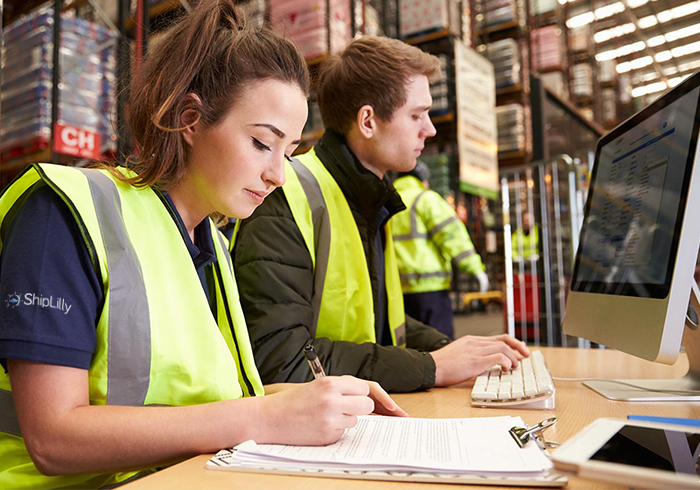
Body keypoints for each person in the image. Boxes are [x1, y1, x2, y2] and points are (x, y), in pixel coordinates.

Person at [0, 3, 405, 488]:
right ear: (190, 119)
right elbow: (53, 437)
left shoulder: (209, 242)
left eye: (289, 151)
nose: (278, 174)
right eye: (261, 142)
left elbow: (205, 402)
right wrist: (264, 417)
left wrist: (321, 401)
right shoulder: (64, 212)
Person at [233, 36, 529, 394]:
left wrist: (455, 350)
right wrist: (431, 366)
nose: (430, 128)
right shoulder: (285, 196)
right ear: (368, 121)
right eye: (417, 114)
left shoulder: (370, 200)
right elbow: (283, 360)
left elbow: (382, 325)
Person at [391, 162, 489, 339]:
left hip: (397, 291)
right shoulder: (425, 198)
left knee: (409, 348)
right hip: (430, 289)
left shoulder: (387, 201)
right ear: (423, 180)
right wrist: (475, 269)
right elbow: (451, 236)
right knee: (439, 343)